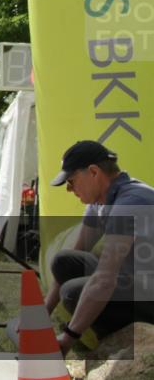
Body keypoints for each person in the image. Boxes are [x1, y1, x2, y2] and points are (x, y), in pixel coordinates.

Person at [46, 140, 154, 355]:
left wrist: (68, 337)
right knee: (64, 261)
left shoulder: (131, 202)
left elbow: (105, 279)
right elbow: (76, 255)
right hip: (140, 283)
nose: (69, 189)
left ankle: (119, 348)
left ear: (94, 172)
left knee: (73, 292)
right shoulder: (100, 202)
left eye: (71, 181)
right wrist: (40, 315)